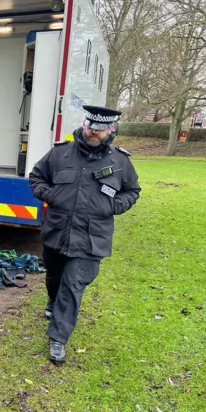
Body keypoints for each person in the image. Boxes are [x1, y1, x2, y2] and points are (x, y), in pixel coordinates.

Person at [29, 105, 141, 363]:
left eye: (100, 129)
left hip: (92, 237)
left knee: (73, 284)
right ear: (83, 124)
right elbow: (37, 177)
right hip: (58, 231)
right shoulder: (60, 154)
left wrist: (113, 206)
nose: (94, 132)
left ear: (111, 129)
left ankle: (58, 339)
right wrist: (52, 196)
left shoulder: (120, 161)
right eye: (91, 127)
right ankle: (52, 302)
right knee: (55, 277)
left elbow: (132, 191)